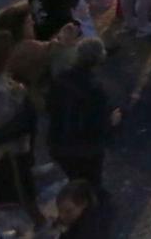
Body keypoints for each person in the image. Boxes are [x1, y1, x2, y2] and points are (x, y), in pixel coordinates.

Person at [46, 36, 116, 191]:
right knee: (91, 184)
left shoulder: (60, 78)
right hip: (84, 148)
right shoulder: (95, 88)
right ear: (100, 58)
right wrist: (112, 120)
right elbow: (97, 123)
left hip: (57, 143)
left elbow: (50, 106)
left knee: (75, 180)